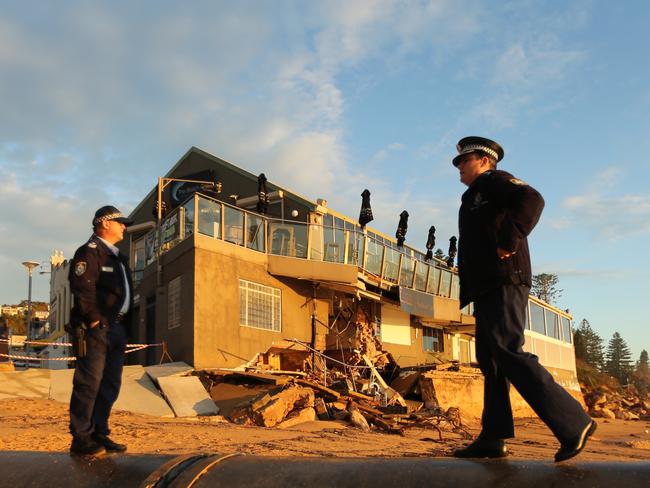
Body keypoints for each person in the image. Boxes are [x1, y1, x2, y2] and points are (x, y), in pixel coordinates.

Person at [451, 137, 596, 462]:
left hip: (505, 279)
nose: (458, 166)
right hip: (486, 286)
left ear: (485, 161)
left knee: (507, 350)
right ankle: (493, 437)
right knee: (492, 362)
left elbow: (532, 199)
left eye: (464, 160)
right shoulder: (473, 195)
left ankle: (575, 423)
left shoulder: (494, 182)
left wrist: (510, 238)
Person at [68, 205, 134, 456]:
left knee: (110, 384)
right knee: (89, 383)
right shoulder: (89, 252)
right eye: (120, 223)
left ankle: (99, 432)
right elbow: (83, 287)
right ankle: (81, 437)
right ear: (104, 223)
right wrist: (94, 320)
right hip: (97, 329)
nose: (124, 227)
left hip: (116, 328)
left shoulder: (117, 257)